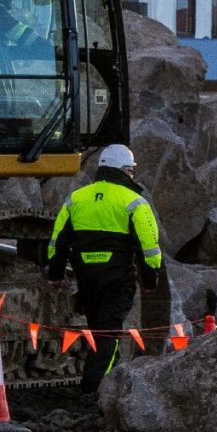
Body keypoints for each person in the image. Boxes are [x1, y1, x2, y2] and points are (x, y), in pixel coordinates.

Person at [46, 144, 164, 394]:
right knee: (108, 333)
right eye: (131, 171)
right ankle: (94, 387)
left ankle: (99, 382)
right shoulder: (134, 201)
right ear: (125, 170)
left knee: (99, 331)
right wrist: (150, 279)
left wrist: (55, 274)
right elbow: (149, 248)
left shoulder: (76, 198)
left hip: (86, 278)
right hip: (117, 278)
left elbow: (58, 242)